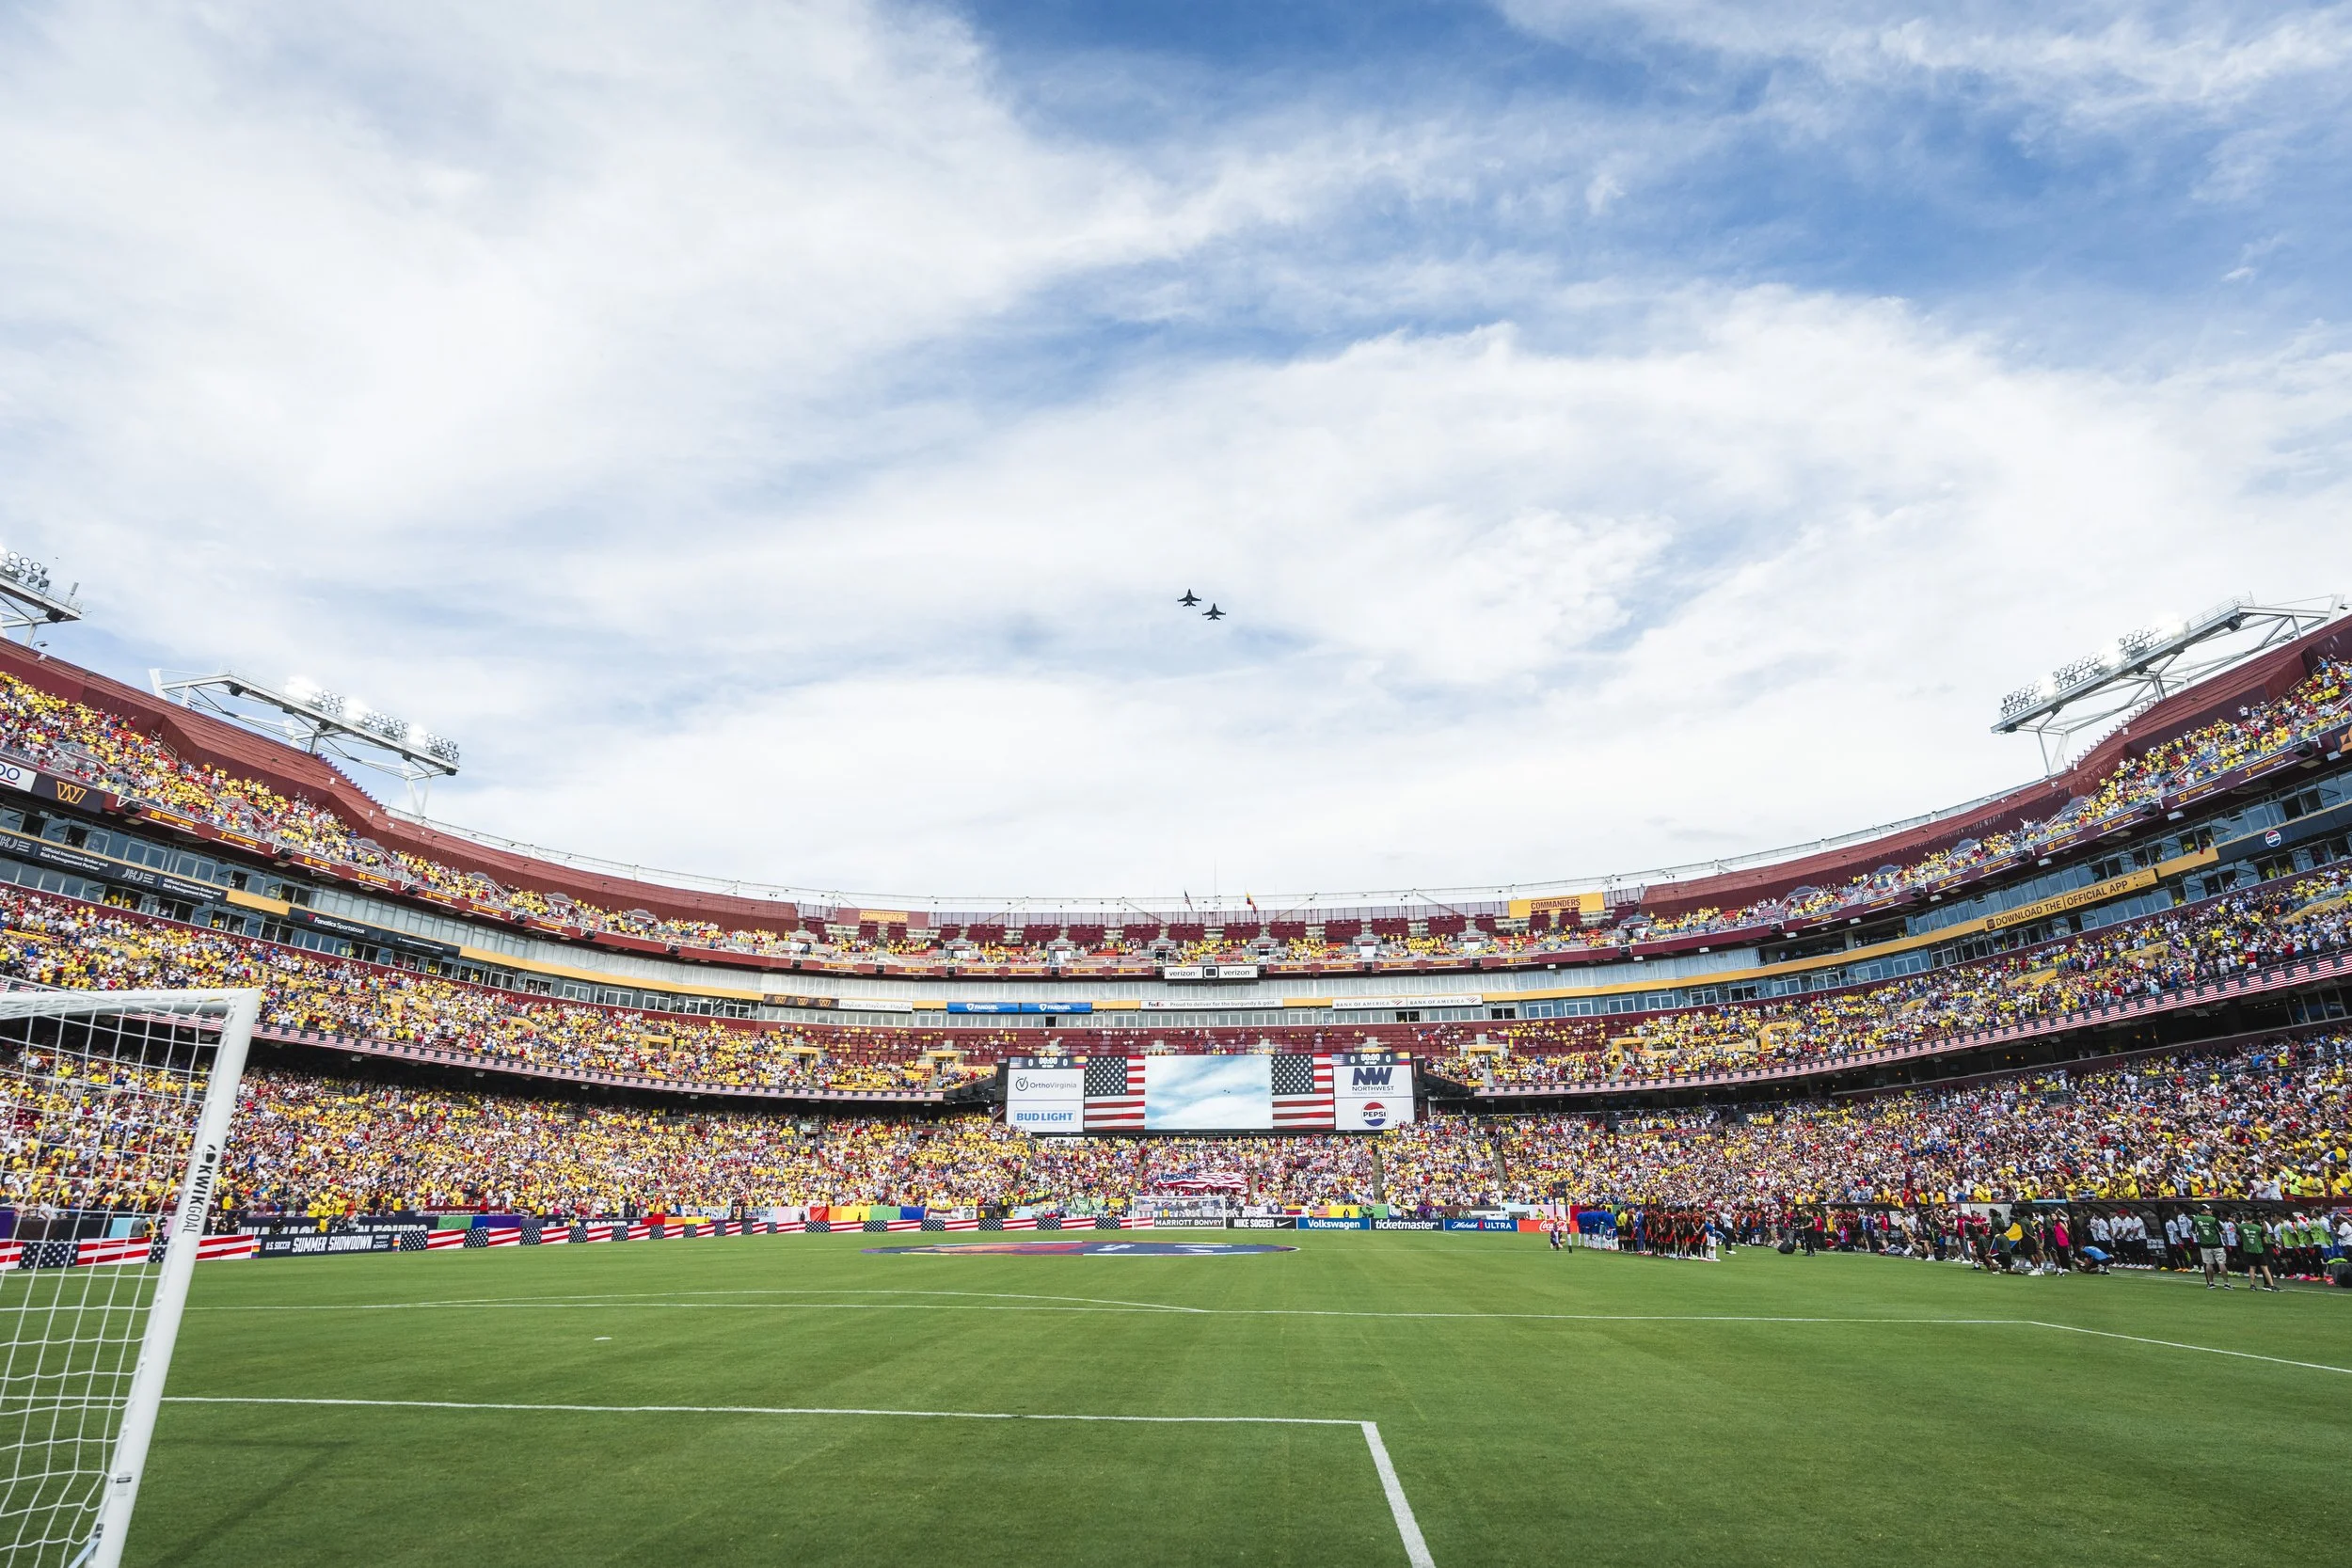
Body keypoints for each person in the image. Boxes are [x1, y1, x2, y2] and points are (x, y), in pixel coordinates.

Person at [2191, 1206, 2231, 1289]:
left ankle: (2211, 1283)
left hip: (2204, 1244)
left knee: (2208, 1263)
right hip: (2217, 1244)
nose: (2210, 1211)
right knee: (2221, 1263)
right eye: (2209, 1210)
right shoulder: (2213, 1219)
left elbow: (2194, 1231)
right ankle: (2226, 1283)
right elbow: (2223, 1232)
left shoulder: (2195, 1219)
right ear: (2205, 1210)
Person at [2239, 1212, 2279, 1292]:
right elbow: (2265, 1240)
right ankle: (2271, 1285)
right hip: (2259, 1250)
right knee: (2265, 1268)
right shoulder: (2258, 1228)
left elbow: (2239, 1238)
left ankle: (2252, 1285)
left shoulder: (2241, 1227)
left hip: (2249, 1250)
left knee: (2252, 1267)